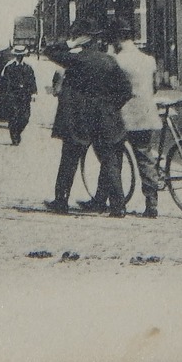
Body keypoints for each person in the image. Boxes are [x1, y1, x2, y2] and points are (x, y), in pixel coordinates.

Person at [43, 20, 132, 216]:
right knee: (109, 161)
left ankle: (61, 202)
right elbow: (126, 90)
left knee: (69, 159)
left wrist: (70, 44)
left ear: (82, 39)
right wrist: (110, 107)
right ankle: (119, 207)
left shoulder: (76, 59)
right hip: (105, 120)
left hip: (79, 119)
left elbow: (48, 51)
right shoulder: (109, 61)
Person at [110, 29, 164, 218]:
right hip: (147, 114)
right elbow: (155, 87)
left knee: (113, 156)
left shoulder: (117, 60)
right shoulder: (149, 60)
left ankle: (115, 203)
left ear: (117, 40)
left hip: (125, 116)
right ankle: (152, 204)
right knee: (145, 157)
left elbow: (114, 89)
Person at [0, 45, 38, 144]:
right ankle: (14, 136)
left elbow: (32, 81)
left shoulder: (28, 68)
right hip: (12, 95)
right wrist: (6, 95)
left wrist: (34, 93)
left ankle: (17, 132)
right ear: (15, 56)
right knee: (13, 116)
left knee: (25, 117)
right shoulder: (9, 68)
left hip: (25, 96)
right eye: (18, 55)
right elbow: (5, 82)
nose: (20, 57)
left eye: (22, 55)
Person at [0, 45, 15, 120]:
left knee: (0, 95)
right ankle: (8, 114)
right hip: (10, 80)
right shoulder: (14, 56)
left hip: (0, 78)